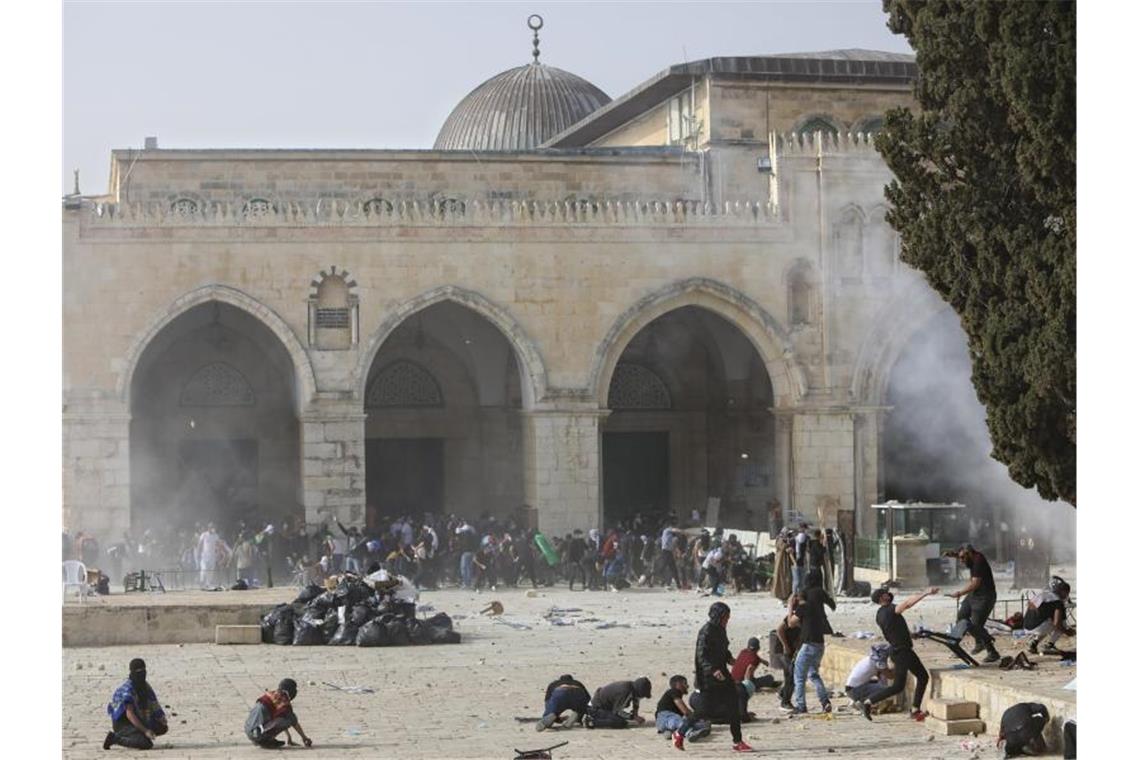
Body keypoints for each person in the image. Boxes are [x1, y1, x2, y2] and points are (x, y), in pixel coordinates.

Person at [859, 586, 939, 722]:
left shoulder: (879, 614)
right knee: (899, 686)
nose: (888, 595)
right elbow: (907, 604)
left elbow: (894, 629)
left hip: (899, 650)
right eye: (885, 594)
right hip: (902, 652)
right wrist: (925, 592)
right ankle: (868, 702)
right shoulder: (890, 609)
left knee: (921, 677)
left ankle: (915, 709)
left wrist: (911, 635)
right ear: (881, 598)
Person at [690, 602, 753, 752]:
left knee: (733, 706)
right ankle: (680, 732)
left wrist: (731, 660)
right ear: (718, 616)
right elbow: (701, 656)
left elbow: (723, 650)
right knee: (705, 710)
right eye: (725, 617)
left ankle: (738, 741)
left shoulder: (721, 630)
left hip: (723, 674)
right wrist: (712, 670)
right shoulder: (705, 632)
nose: (727, 621)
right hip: (708, 677)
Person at [946, 544, 1001, 663]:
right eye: (959, 558)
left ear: (969, 554)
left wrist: (959, 593)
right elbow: (962, 555)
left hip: (985, 596)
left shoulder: (978, 561)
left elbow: (975, 583)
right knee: (961, 617)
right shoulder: (970, 556)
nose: (961, 561)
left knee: (976, 626)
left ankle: (992, 652)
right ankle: (956, 647)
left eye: (962, 558)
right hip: (974, 595)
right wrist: (953, 555)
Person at [791, 568, 834, 715]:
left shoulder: (802, 607)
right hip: (819, 644)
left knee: (799, 675)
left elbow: (791, 623)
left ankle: (801, 705)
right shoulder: (815, 609)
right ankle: (825, 701)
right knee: (813, 674)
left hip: (808, 645)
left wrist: (791, 607)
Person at [103, 658, 168, 750]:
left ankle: (138, 734)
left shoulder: (145, 686)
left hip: (139, 718)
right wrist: (145, 731)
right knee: (145, 744)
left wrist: (160, 717)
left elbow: (153, 702)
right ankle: (115, 738)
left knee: (162, 727)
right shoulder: (127, 690)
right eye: (138, 672)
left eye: (143, 671)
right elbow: (130, 714)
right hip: (123, 724)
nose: (141, 674)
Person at [244, 678, 313, 749]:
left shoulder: (271, 694)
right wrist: (304, 738)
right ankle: (265, 740)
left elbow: (281, 716)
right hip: (257, 733)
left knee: (284, 716)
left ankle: (261, 738)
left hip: (249, 730)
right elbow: (292, 720)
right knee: (291, 718)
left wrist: (289, 737)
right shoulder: (284, 700)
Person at [656, 674, 711, 749]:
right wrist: (696, 718)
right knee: (679, 720)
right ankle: (689, 733)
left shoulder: (674, 697)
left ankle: (670, 732)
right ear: (678, 684)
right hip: (665, 717)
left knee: (691, 723)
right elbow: (685, 711)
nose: (687, 686)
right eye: (685, 683)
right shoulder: (674, 691)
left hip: (663, 723)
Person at [1024, 577, 1074, 655]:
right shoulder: (1057, 601)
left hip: (1026, 626)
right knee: (1062, 623)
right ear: (1063, 592)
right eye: (1067, 593)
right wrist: (1067, 632)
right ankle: (1049, 645)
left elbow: (1030, 605)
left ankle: (1033, 643)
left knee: (1048, 621)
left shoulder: (1045, 594)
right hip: (1037, 626)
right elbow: (1057, 624)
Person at [774, 601, 803, 712]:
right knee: (790, 676)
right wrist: (785, 646)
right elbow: (779, 630)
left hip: (791, 650)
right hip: (783, 650)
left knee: (791, 675)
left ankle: (782, 693)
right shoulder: (792, 618)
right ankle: (785, 703)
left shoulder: (805, 618)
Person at [791, 523, 809, 595]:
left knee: (802, 581)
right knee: (797, 581)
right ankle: (794, 596)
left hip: (802, 562)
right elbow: (790, 552)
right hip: (796, 562)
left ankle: (800, 595)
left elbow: (807, 550)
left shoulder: (806, 539)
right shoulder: (794, 540)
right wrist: (794, 561)